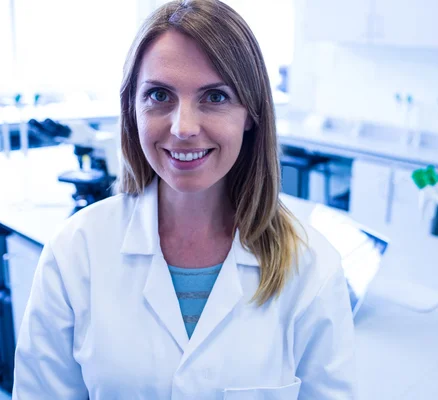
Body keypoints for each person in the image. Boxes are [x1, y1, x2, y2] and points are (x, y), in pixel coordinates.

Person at [12, 1, 356, 398]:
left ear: (252, 114)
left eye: (215, 97)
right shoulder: (76, 252)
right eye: (160, 95)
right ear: (132, 110)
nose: (184, 127)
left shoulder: (312, 268)